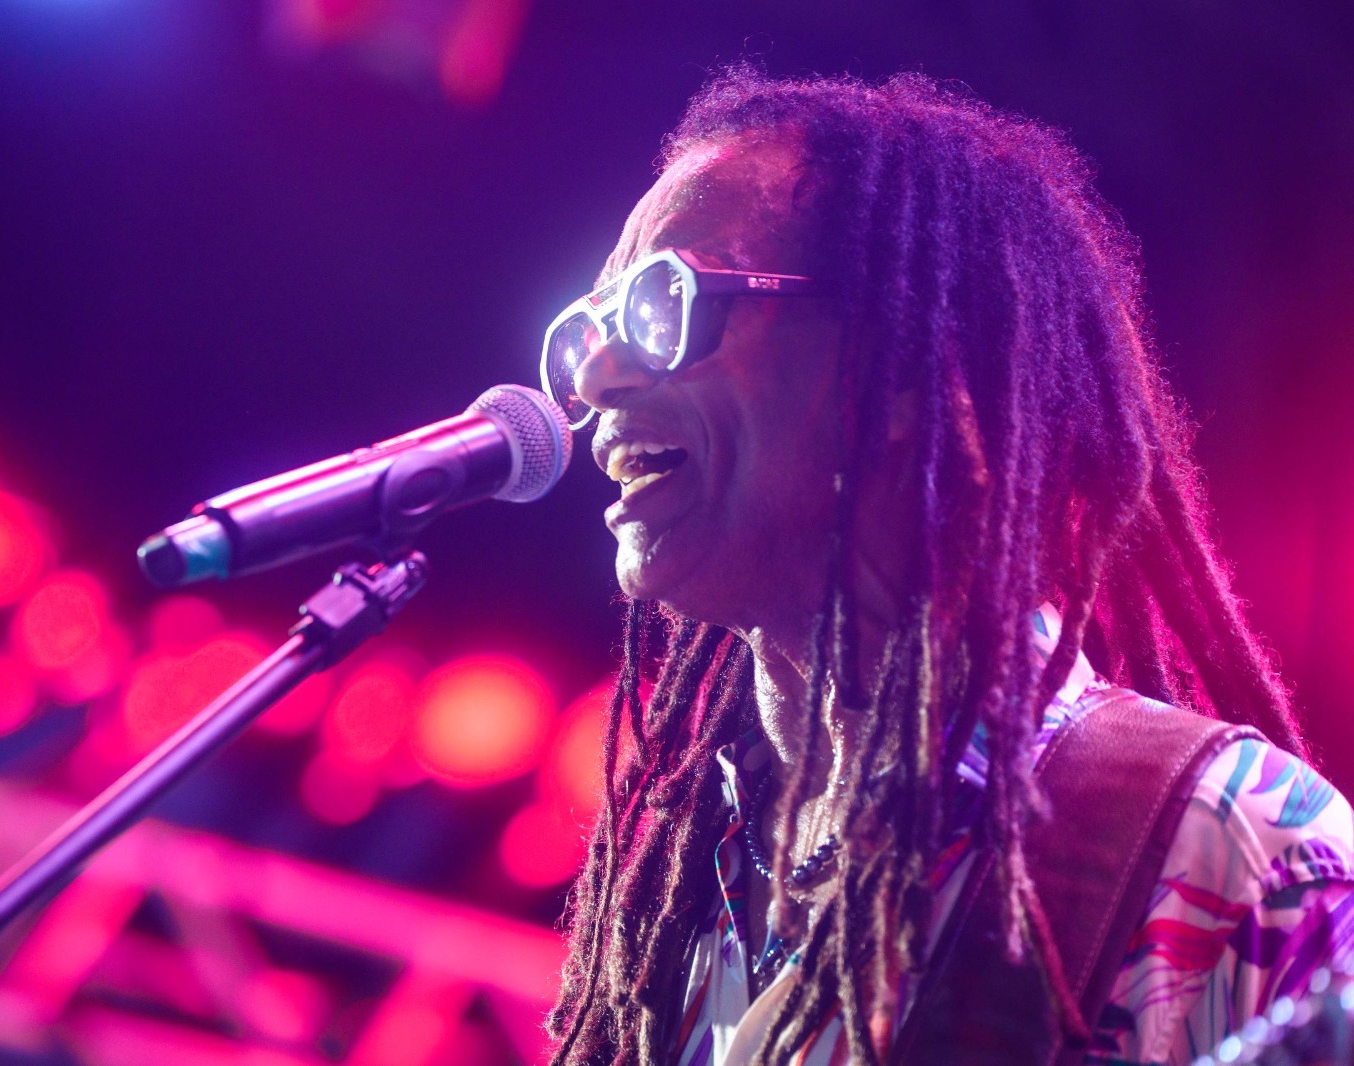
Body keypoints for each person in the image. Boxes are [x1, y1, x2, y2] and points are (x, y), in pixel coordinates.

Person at [535, 68, 1354, 1066]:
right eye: (593, 328)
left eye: (663, 302)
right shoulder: (689, 858)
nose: (596, 375)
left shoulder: (1231, 843)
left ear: (903, 367)